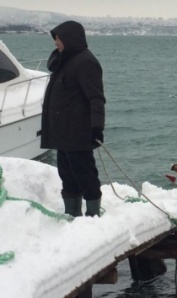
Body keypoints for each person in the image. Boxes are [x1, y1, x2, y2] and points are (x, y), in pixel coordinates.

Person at [40, 20, 106, 217]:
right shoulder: (66, 60)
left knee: (85, 175)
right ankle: (72, 214)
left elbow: (96, 98)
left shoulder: (86, 62)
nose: (55, 43)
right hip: (63, 133)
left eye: (58, 39)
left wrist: (97, 127)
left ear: (69, 39)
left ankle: (93, 216)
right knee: (67, 176)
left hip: (78, 133)